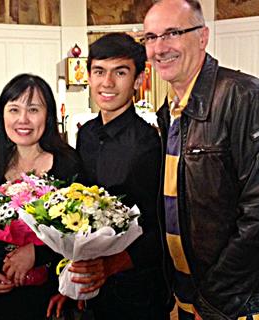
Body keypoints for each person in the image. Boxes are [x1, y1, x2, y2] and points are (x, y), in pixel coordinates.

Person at [143, 0, 259, 319]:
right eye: (150, 37)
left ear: (203, 36)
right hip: (190, 298)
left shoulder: (245, 97)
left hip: (241, 304)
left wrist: (214, 301)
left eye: (173, 33)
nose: (159, 48)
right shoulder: (170, 111)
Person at [47, 33, 172, 319]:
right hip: (93, 288)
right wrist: (72, 278)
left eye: (121, 72)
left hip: (136, 289)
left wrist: (110, 265)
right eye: (99, 71)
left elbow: (161, 227)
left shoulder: (149, 144)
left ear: (139, 80)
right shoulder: (86, 133)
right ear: (88, 76)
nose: (107, 83)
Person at [0, 73, 82, 320]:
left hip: (49, 294)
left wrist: (37, 252)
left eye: (33, 109)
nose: (23, 120)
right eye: (14, 109)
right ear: (3, 115)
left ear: (48, 115)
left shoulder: (67, 163)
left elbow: (82, 232)